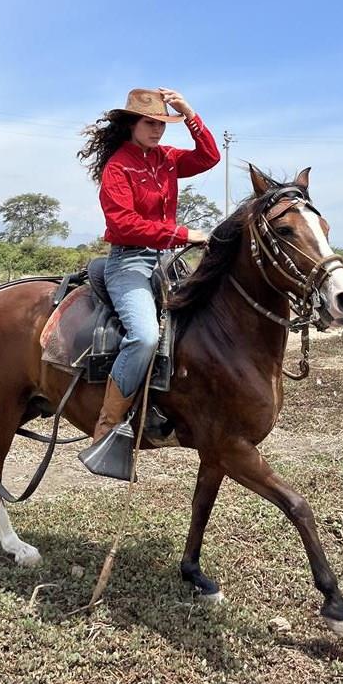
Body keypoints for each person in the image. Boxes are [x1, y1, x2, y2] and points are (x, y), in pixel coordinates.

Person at [77, 87, 221, 444]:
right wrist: (181, 232)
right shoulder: (117, 167)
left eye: (162, 123)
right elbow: (124, 223)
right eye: (149, 122)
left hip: (166, 261)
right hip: (129, 261)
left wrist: (188, 111)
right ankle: (108, 426)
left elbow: (210, 157)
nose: (157, 130)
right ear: (131, 124)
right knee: (144, 336)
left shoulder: (168, 159)